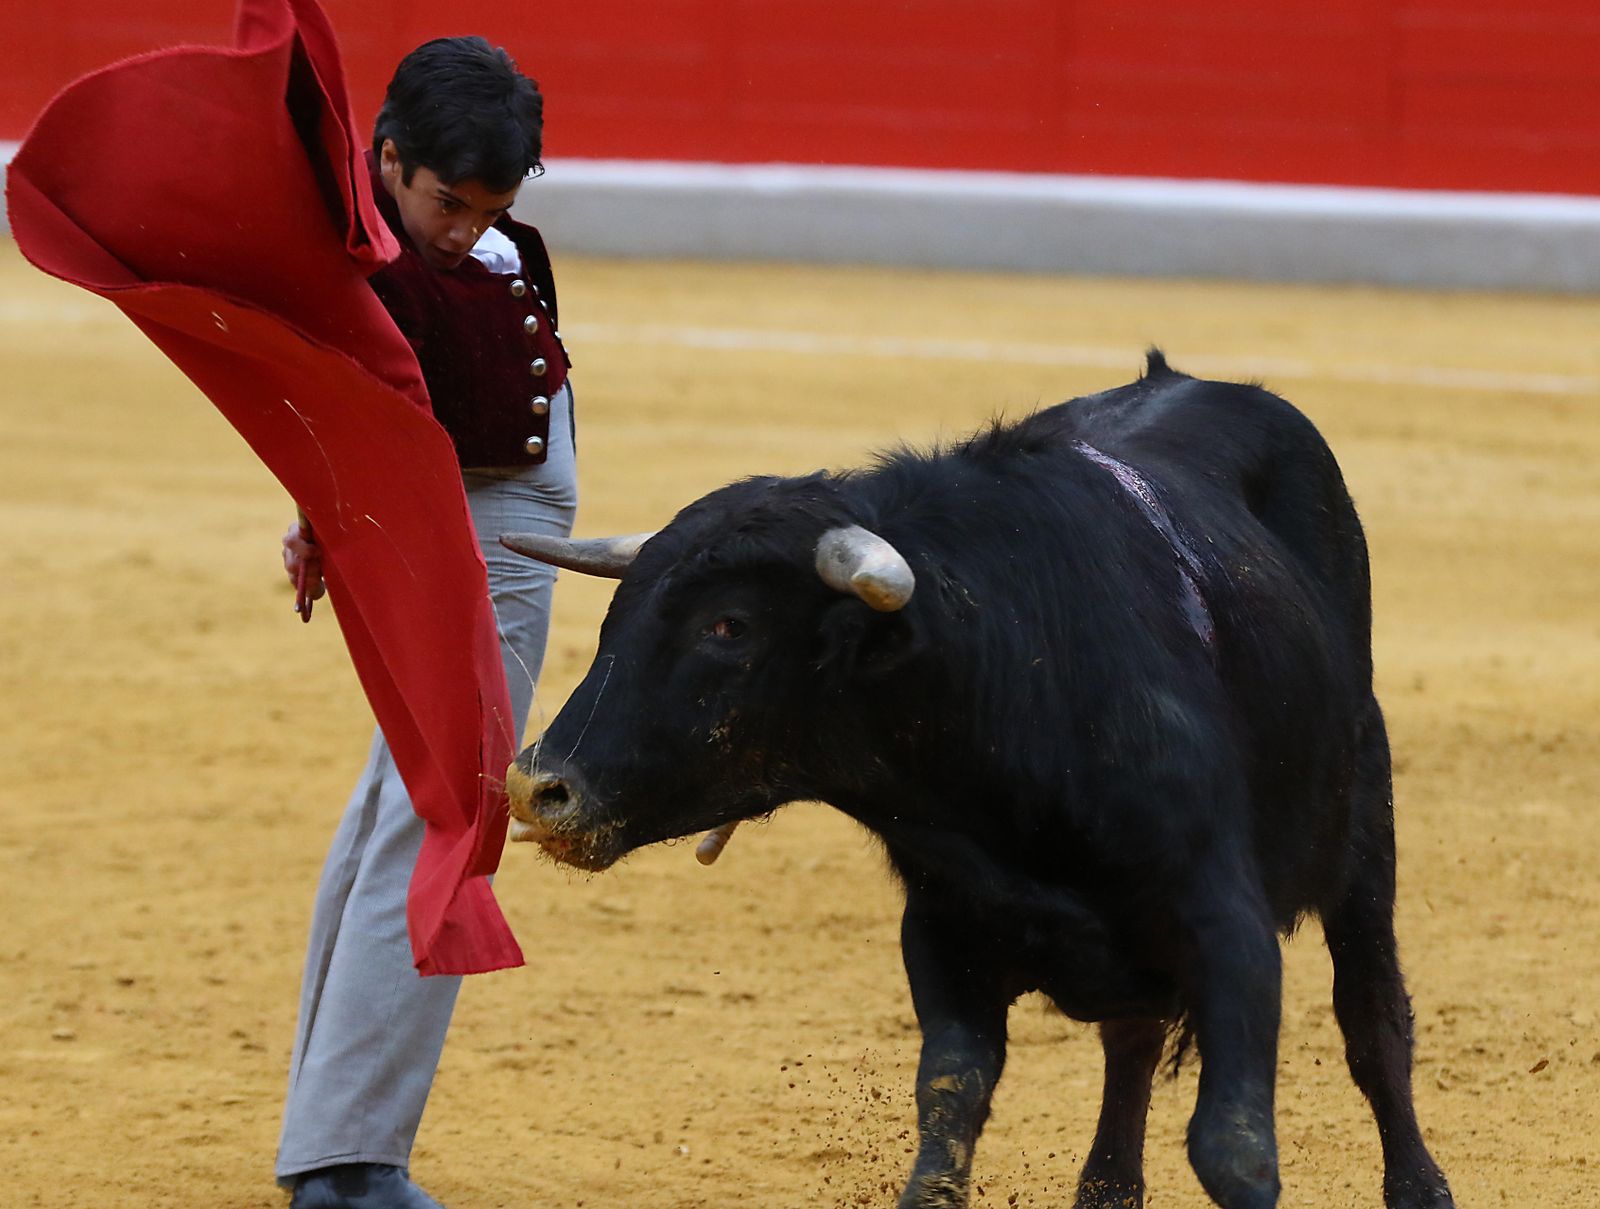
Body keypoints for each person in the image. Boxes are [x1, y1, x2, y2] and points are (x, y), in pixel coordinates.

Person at [276, 36, 575, 1209]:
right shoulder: (355, 251)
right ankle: (349, 1162)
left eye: (487, 208)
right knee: (446, 804)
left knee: (401, 802)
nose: (460, 229)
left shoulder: (412, 228)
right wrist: (323, 506)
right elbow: (329, 387)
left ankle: (328, 1133)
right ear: (385, 158)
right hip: (477, 526)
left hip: (487, 507)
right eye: (444, 203)